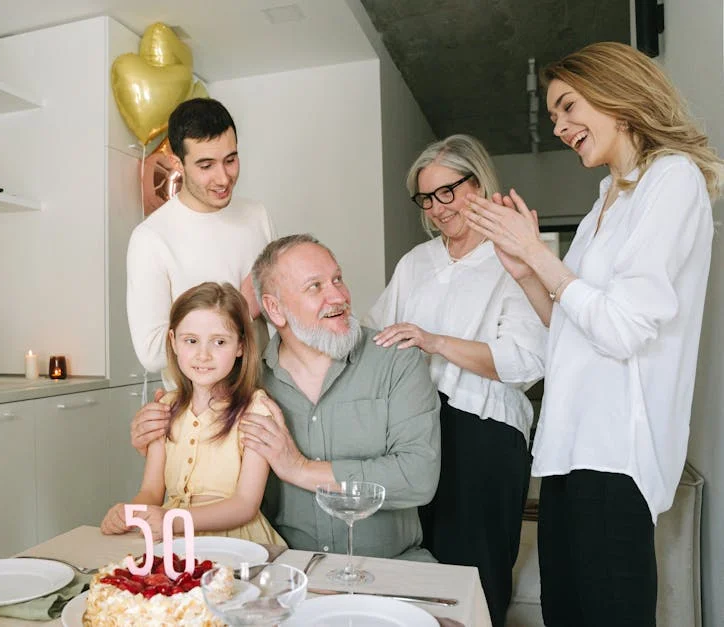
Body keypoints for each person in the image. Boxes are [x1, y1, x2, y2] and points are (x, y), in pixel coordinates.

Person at [463, 42, 724, 627]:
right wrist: (526, 271)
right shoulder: (606, 198)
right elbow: (572, 329)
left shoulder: (671, 180)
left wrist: (538, 253)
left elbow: (623, 329)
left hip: (615, 454)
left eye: (568, 106)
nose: (559, 127)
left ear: (617, 97)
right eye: (554, 114)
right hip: (566, 449)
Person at [364, 134, 546, 626]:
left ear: (479, 183)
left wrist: (434, 341)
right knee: (417, 573)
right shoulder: (415, 263)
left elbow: (525, 361)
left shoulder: (512, 260)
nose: (438, 208)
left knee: (476, 575)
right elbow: (378, 336)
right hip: (415, 431)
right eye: (427, 197)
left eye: (448, 191)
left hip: (484, 433)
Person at [232, 234, 440, 560]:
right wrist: (164, 426)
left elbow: (418, 477)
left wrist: (300, 469)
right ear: (275, 308)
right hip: (288, 572)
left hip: (392, 569)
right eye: (315, 286)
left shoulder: (396, 360)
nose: (339, 296)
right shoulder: (248, 383)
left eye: (337, 279)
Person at [102, 281, 284, 545]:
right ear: (174, 342)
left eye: (219, 342)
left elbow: (245, 504)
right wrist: (128, 514)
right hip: (174, 539)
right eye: (191, 341)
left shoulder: (256, 409)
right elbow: (151, 492)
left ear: (240, 346)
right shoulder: (165, 407)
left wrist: (172, 520)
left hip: (237, 543)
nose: (203, 355)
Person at [126, 98, 276, 386]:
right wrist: (242, 308)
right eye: (206, 165)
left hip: (265, 397)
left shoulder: (257, 215)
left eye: (230, 160)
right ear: (177, 163)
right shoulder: (151, 238)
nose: (223, 179)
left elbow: (280, 316)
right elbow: (152, 353)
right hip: (200, 409)